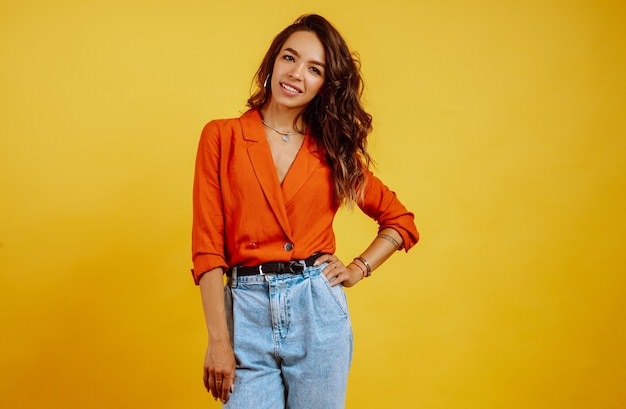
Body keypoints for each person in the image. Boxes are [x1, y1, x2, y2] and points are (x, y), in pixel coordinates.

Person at [191, 14, 419, 408]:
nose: (296, 74)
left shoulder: (331, 151)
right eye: (289, 58)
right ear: (272, 63)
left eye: (314, 69)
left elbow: (400, 221)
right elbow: (208, 246)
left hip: (316, 310)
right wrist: (218, 341)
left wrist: (358, 268)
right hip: (246, 311)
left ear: (325, 86)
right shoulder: (222, 136)